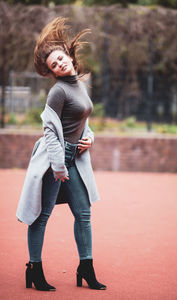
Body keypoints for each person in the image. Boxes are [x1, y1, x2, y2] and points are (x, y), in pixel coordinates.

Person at [16, 17, 106, 292]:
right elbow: (50, 132)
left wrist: (89, 138)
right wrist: (58, 167)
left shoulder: (78, 84)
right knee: (41, 216)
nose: (60, 64)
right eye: (54, 65)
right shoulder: (57, 92)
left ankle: (86, 267)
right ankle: (34, 268)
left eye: (61, 59)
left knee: (84, 213)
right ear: (52, 72)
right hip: (55, 161)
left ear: (68, 56)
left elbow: (83, 120)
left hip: (76, 159)